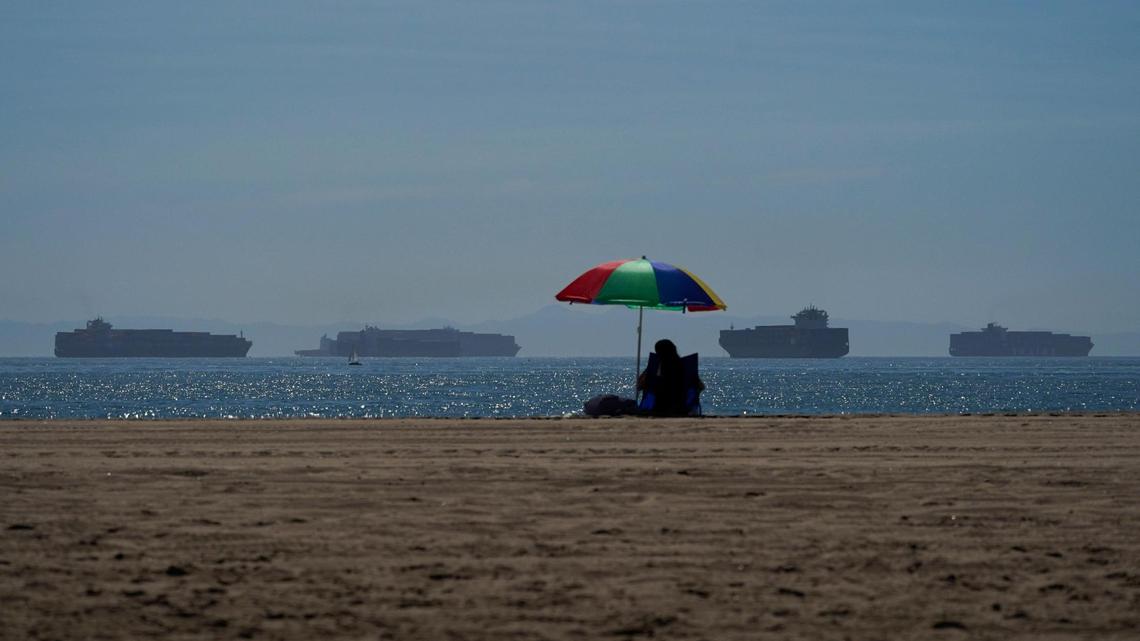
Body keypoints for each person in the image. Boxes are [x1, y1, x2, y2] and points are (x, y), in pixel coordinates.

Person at [637, 339, 705, 416]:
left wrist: (649, 369)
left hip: (659, 408)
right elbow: (701, 387)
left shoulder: (655, 370)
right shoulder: (685, 368)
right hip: (681, 408)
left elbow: (639, 386)